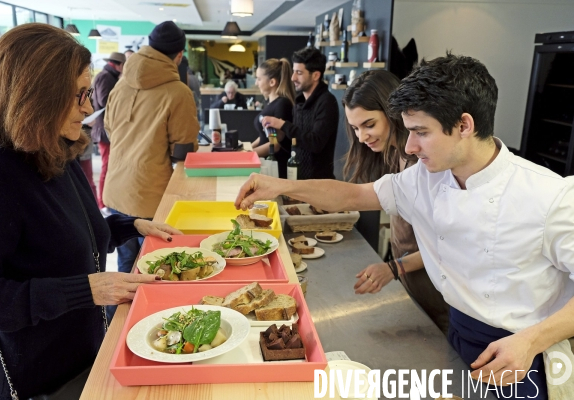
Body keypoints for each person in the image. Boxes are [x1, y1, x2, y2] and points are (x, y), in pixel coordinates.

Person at [236, 53, 574, 398]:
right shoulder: (425, 178)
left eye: (420, 132)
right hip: (459, 333)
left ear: (464, 125)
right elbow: (353, 196)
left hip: (524, 353)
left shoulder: (551, 196)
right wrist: (282, 187)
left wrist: (533, 339)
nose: (410, 146)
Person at [0, 23, 177, 400]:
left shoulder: (54, 148)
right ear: (38, 97)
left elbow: (67, 231)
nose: (89, 106)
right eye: (79, 95)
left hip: (77, 358)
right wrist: (83, 289)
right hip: (25, 380)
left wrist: (130, 225)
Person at [343, 70, 450, 334]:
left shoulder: (422, 164)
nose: (361, 137)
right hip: (413, 281)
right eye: (355, 128)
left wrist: (394, 267)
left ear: (394, 112)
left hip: (438, 289)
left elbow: (445, 244)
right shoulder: (393, 154)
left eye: (369, 125)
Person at [103, 21, 199, 279]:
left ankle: (118, 319)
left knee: (126, 267)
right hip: (151, 195)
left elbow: (109, 130)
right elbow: (182, 152)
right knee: (157, 269)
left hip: (116, 189)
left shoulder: (121, 85)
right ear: (179, 55)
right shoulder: (178, 92)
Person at [260, 47, 339, 179]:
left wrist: (283, 124)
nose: (293, 78)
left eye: (299, 73)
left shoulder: (327, 102)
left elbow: (315, 143)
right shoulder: (299, 102)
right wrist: (281, 137)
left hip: (318, 184)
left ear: (315, 75)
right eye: (293, 72)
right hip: (297, 179)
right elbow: (297, 143)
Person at [91, 51, 126, 215]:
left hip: (107, 129)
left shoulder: (107, 75)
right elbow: (105, 101)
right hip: (105, 130)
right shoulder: (106, 77)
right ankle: (103, 204)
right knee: (107, 166)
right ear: (118, 65)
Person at [251, 58, 295, 178]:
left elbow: (274, 144)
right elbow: (263, 137)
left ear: (272, 82)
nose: (256, 83)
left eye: (259, 79)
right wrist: (248, 148)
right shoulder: (273, 104)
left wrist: (249, 154)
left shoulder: (282, 105)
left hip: (276, 168)